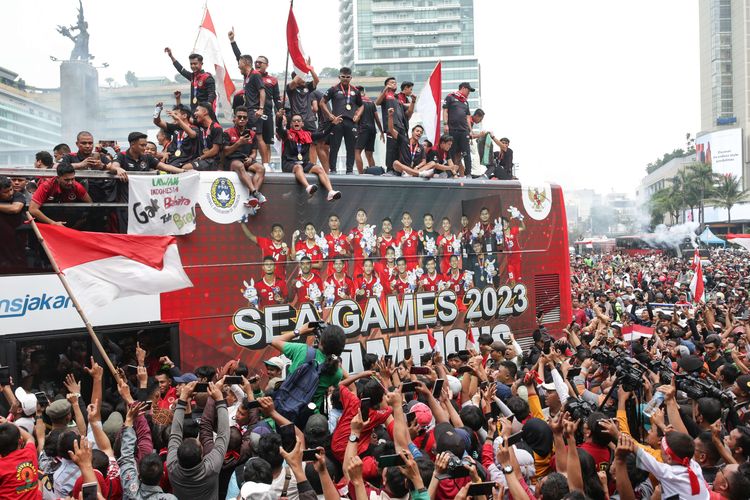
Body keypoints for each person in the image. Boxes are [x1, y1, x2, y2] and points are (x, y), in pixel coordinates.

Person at [167, 380, 229, 499]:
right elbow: (223, 436)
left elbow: (175, 434)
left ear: (177, 455)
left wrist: (183, 398)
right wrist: (220, 399)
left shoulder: (172, 467)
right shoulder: (211, 467)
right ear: (202, 456)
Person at [269, 322, 345, 413]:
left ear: (321, 340)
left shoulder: (302, 351)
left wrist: (299, 331)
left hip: (283, 408)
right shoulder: (337, 372)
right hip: (308, 417)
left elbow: (275, 342)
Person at [276, 111, 341, 201]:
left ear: (302, 124)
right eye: (294, 121)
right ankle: (308, 187)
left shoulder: (308, 135)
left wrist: (333, 124)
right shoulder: (287, 134)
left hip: (304, 163)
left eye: (298, 121)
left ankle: (330, 192)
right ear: (291, 124)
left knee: (319, 168)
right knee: (298, 167)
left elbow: (323, 133)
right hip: (289, 163)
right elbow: (279, 129)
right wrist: (279, 119)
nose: (296, 122)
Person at [223, 106, 267, 210]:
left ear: (247, 120)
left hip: (247, 160)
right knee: (239, 165)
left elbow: (254, 152)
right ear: (234, 118)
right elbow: (225, 152)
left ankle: (252, 198)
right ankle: (255, 193)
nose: (242, 119)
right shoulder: (227, 133)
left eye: (244, 117)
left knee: (261, 169)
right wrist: (238, 143)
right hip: (232, 161)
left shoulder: (252, 134)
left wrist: (251, 158)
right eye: (239, 117)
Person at [322, 67, 362, 175]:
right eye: (343, 77)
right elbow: (322, 102)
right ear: (339, 77)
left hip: (351, 122)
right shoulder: (333, 89)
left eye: (347, 77)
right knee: (334, 146)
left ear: (351, 77)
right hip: (337, 121)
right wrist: (330, 115)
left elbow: (361, 106)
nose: (345, 79)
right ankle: (333, 170)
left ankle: (349, 171)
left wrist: (358, 115)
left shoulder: (355, 91)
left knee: (351, 147)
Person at [387, 109, 433, 178]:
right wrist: (390, 116)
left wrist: (417, 167)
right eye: (417, 131)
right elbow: (391, 130)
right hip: (403, 170)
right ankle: (419, 174)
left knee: (432, 163)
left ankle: (413, 173)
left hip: (415, 169)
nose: (419, 133)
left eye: (421, 132)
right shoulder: (403, 140)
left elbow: (424, 161)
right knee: (395, 163)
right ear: (412, 132)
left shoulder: (421, 147)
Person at [442, 82, 475, 177]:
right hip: (452, 129)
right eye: (469, 90)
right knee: (451, 152)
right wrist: (445, 124)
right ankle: (452, 173)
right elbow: (445, 111)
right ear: (463, 88)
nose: (469, 92)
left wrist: (471, 130)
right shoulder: (450, 97)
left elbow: (468, 117)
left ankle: (468, 174)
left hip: (464, 131)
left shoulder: (465, 102)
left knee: (466, 153)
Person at [353, 86, 384, 173]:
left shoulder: (357, 102)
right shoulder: (371, 102)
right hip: (372, 129)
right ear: (364, 92)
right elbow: (377, 118)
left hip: (363, 128)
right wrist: (381, 131)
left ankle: (361, 174)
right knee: (369, 154)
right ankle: (374, 173)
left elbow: (356, 117)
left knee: (357, 151)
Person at [189, 102, 224, 171]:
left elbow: (215, 150)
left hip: (211, 161)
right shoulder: (200, 124)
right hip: (202, 160)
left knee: (186, 167)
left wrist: (201, 157)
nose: (194, 113)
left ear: (205, 112)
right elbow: (186, 117)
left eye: (197, 111)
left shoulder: (216, 127)